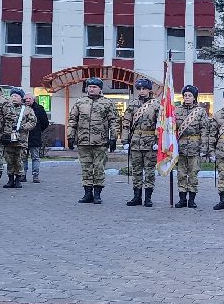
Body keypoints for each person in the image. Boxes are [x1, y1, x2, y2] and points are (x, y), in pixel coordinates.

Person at [67, 76, 117, 205]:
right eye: (90, 87)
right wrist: (70, 136)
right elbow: (73, 120)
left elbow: (114, 122)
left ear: (100, 88)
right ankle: (87, 193)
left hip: (100, 142)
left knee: (99, 168)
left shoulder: (107, 103)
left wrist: (113, 138)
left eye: (94, 87)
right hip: (83, 141)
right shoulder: (80, 102)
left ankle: (97, 195)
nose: (91, 89)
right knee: (86, 168)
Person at [120, 78, 161, 207]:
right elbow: (126, 123)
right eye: (140, 89)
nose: (142, 91)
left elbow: (161, 125)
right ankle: (136, 197)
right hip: (135, 142)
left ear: (149, 90)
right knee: (136, 171)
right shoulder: (132, 105)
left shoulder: (156, 104)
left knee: (149, 171)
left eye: (144, 89)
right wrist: (125, 140)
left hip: (150, 143)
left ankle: (148, 198)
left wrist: (158, 141)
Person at [173, 85, 214, 207]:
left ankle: (191, 199)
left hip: (195, 147)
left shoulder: (200, 111)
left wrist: (204, 149)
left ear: (194, 97)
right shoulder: (177, 110)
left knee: (193, 174)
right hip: (180, 147)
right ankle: (182, 199)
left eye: (189, 95)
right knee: (181, 174)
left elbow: (205, 131)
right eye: (185, 95)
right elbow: (172, 129)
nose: (187, 97)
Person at [2, 87, 37, 189]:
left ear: (21, 98)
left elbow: (32, 122)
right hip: (8, 139)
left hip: (21, 140)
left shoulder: (27, 109)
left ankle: (18, 179)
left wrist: (22, 127)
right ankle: (10, 179)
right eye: (12, 96)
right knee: (9, 160)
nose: (14, 98)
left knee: (19, 160)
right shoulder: (7, 108)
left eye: (16, 96)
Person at [27, 95, 51, 183]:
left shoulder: (39, 109)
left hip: (35, 137)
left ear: (33, 100)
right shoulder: (22, 108)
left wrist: (38, 130)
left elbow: (45, 122)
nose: (28, 100)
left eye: (30, 98)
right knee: (22, 157)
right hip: (23, 137)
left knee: (35, 157)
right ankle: (22, 175)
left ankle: (35, 176)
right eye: (26, 98)